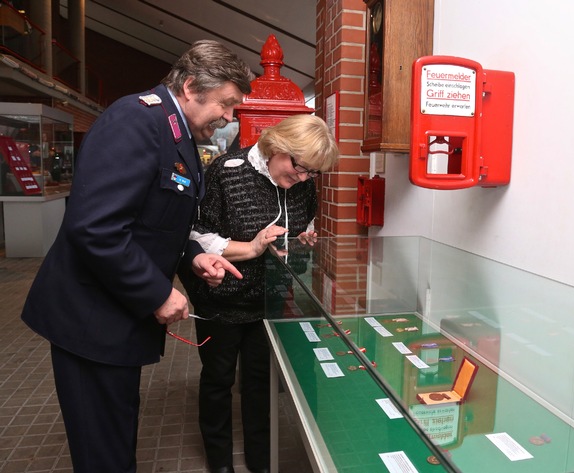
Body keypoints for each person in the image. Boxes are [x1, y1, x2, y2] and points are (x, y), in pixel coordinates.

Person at [20, 40, 253, 473]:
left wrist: (193, 258)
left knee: (117, 433)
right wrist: (157, 293)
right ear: (189, 87)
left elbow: (158, 222)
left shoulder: (175, 132)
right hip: (90, 319)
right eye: (226, 104)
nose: (228, 117)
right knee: (103, 450)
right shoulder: (135, 120)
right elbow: (96, 228)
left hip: (115, 317)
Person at [179, 114, 339, 473]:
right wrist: (250, 248)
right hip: (221, 299)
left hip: (268, 300)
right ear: (277, 148)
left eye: (312, 173)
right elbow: (195, 234)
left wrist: (298, 242)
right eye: (299, 168)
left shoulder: (303, 182)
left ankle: (260, 458)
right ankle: (219, 462)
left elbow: (298, 225)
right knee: (219, 380)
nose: (302, 179)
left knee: (260, 382)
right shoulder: (227, 171)